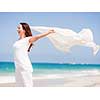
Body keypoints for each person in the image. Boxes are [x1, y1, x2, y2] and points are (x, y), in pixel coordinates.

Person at [13, 23, 55, 87]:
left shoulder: (28, 39)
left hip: (25, 67)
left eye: (19, 28)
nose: (17, 29)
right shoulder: (18, 41)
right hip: (18, 68)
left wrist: (48, 33)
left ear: (24, 30)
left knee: (27, 86)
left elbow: (37, 37)